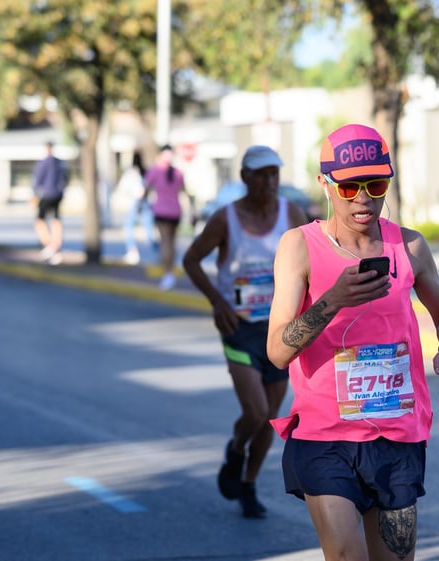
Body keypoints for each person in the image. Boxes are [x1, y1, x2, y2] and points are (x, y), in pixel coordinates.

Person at [266, 124, 439, 561]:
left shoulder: (409, 246)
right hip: (326, 437)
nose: (363, 198)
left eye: (375, 184)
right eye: (349, 186)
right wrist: (333, 300)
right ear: (325, 183)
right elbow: (278, 351)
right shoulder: (299, 247)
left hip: (397, 436)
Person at [182, 145, 309, 518]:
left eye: (274, 174)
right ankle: (236, 448)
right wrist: (217, 302)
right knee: (254, 412)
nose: (269, 181)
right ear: (244, 177)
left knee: (271, 415)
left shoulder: (292, 213)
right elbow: (191, 259)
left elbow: (312, 260)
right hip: (239, 327)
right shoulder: (226, 219)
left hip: (281, 327)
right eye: (261, 174)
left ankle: (249, 485)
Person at [143, 144, 195, 290]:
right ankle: (170, 270)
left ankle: (167, 274)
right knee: (172, 242)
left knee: (165, 242)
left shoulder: (155, 170)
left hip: (161, 211)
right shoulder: (178, 173)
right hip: (176, 211)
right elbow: (185, 191)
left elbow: (145, 188)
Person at [31, 141, 69, 265]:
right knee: (55, 219)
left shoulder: (44, 163)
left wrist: (35, 193)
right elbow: (66, 177)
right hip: (58, 194)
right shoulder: (60, 162)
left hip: (46, 194)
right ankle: (56, 245)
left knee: (40, 220)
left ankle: (49, 245)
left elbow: (38, 179)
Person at [118, 151, 156, 265]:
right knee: (148, 228)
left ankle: (132, 250)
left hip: (135, 202)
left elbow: (123, 187)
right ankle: (156, 251)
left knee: (130, 226)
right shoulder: (146, 172)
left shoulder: (131, 173)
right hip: (144, 201)